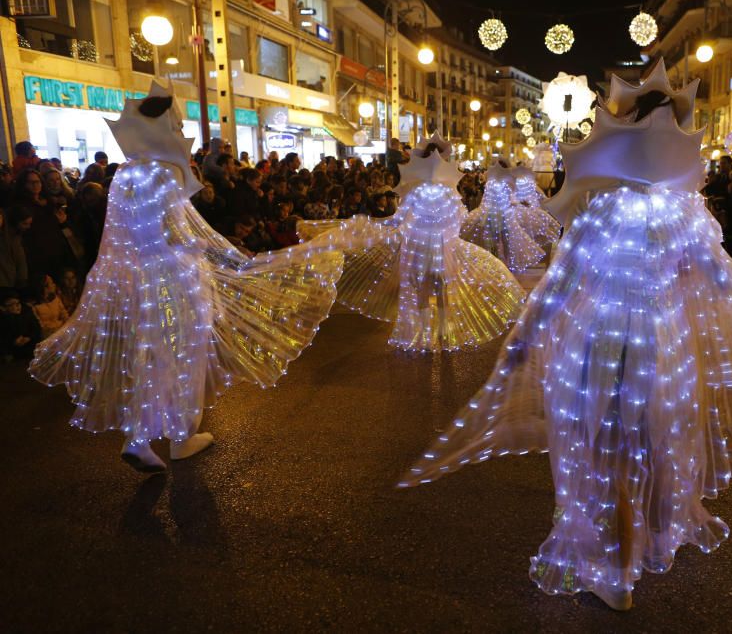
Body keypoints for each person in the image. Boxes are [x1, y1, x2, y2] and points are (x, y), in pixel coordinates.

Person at [399, 60, 732, 611]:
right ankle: (647, 538)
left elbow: (560, 286)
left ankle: (616, 570)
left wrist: (522, 343)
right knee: (656, 446)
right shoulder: (688, 215)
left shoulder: (604, 209)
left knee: (604, 454)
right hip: (663, 345)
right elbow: (721, 283)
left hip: (601, 343)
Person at [29, 84, 344, 473]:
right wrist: (222, 250)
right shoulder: (164, 173)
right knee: (188, 353)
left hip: (141, 280)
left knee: (152, 354)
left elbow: (120, 237)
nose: (180, 132)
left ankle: (138, 438)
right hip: (177, 276)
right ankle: (182, 436)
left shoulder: (125, 174)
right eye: (176, 125)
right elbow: (177, 233)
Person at [299, 133, 524, 351]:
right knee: (442, 288)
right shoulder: (448, 192)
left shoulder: (415, 190)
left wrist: (375, 226)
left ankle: (425, 334)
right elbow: (459, 218)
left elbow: (400, 218)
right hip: (442, 246)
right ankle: (443, 332)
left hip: (419, 246)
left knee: (423, 288)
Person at [461, 163, 545, 273]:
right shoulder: (505, 184)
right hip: (502, 216)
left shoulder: (490, 183)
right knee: (505, 240)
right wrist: (520, 202)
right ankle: (505, 263)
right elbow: (509, 201)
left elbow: (487, 201)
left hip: (490, 215)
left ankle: (494, 262)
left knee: (493, 240)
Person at [0, 288, 41, 361]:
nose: (17, 306)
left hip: (30, 348)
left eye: (18, 303)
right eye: (11, 304)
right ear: (3, 308)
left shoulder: (27, 312)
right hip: (11, 353)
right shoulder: (3, 319)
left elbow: (37, 329)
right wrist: (13, 341)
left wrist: (28, 337)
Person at [30, 273, 69, 338]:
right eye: (51, 283)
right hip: (48, 336)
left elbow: (64, 314)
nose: (54, 285)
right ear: (44, 287)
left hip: (61, 331)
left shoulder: (55, 299)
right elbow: (41, 326)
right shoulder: (35, 306)